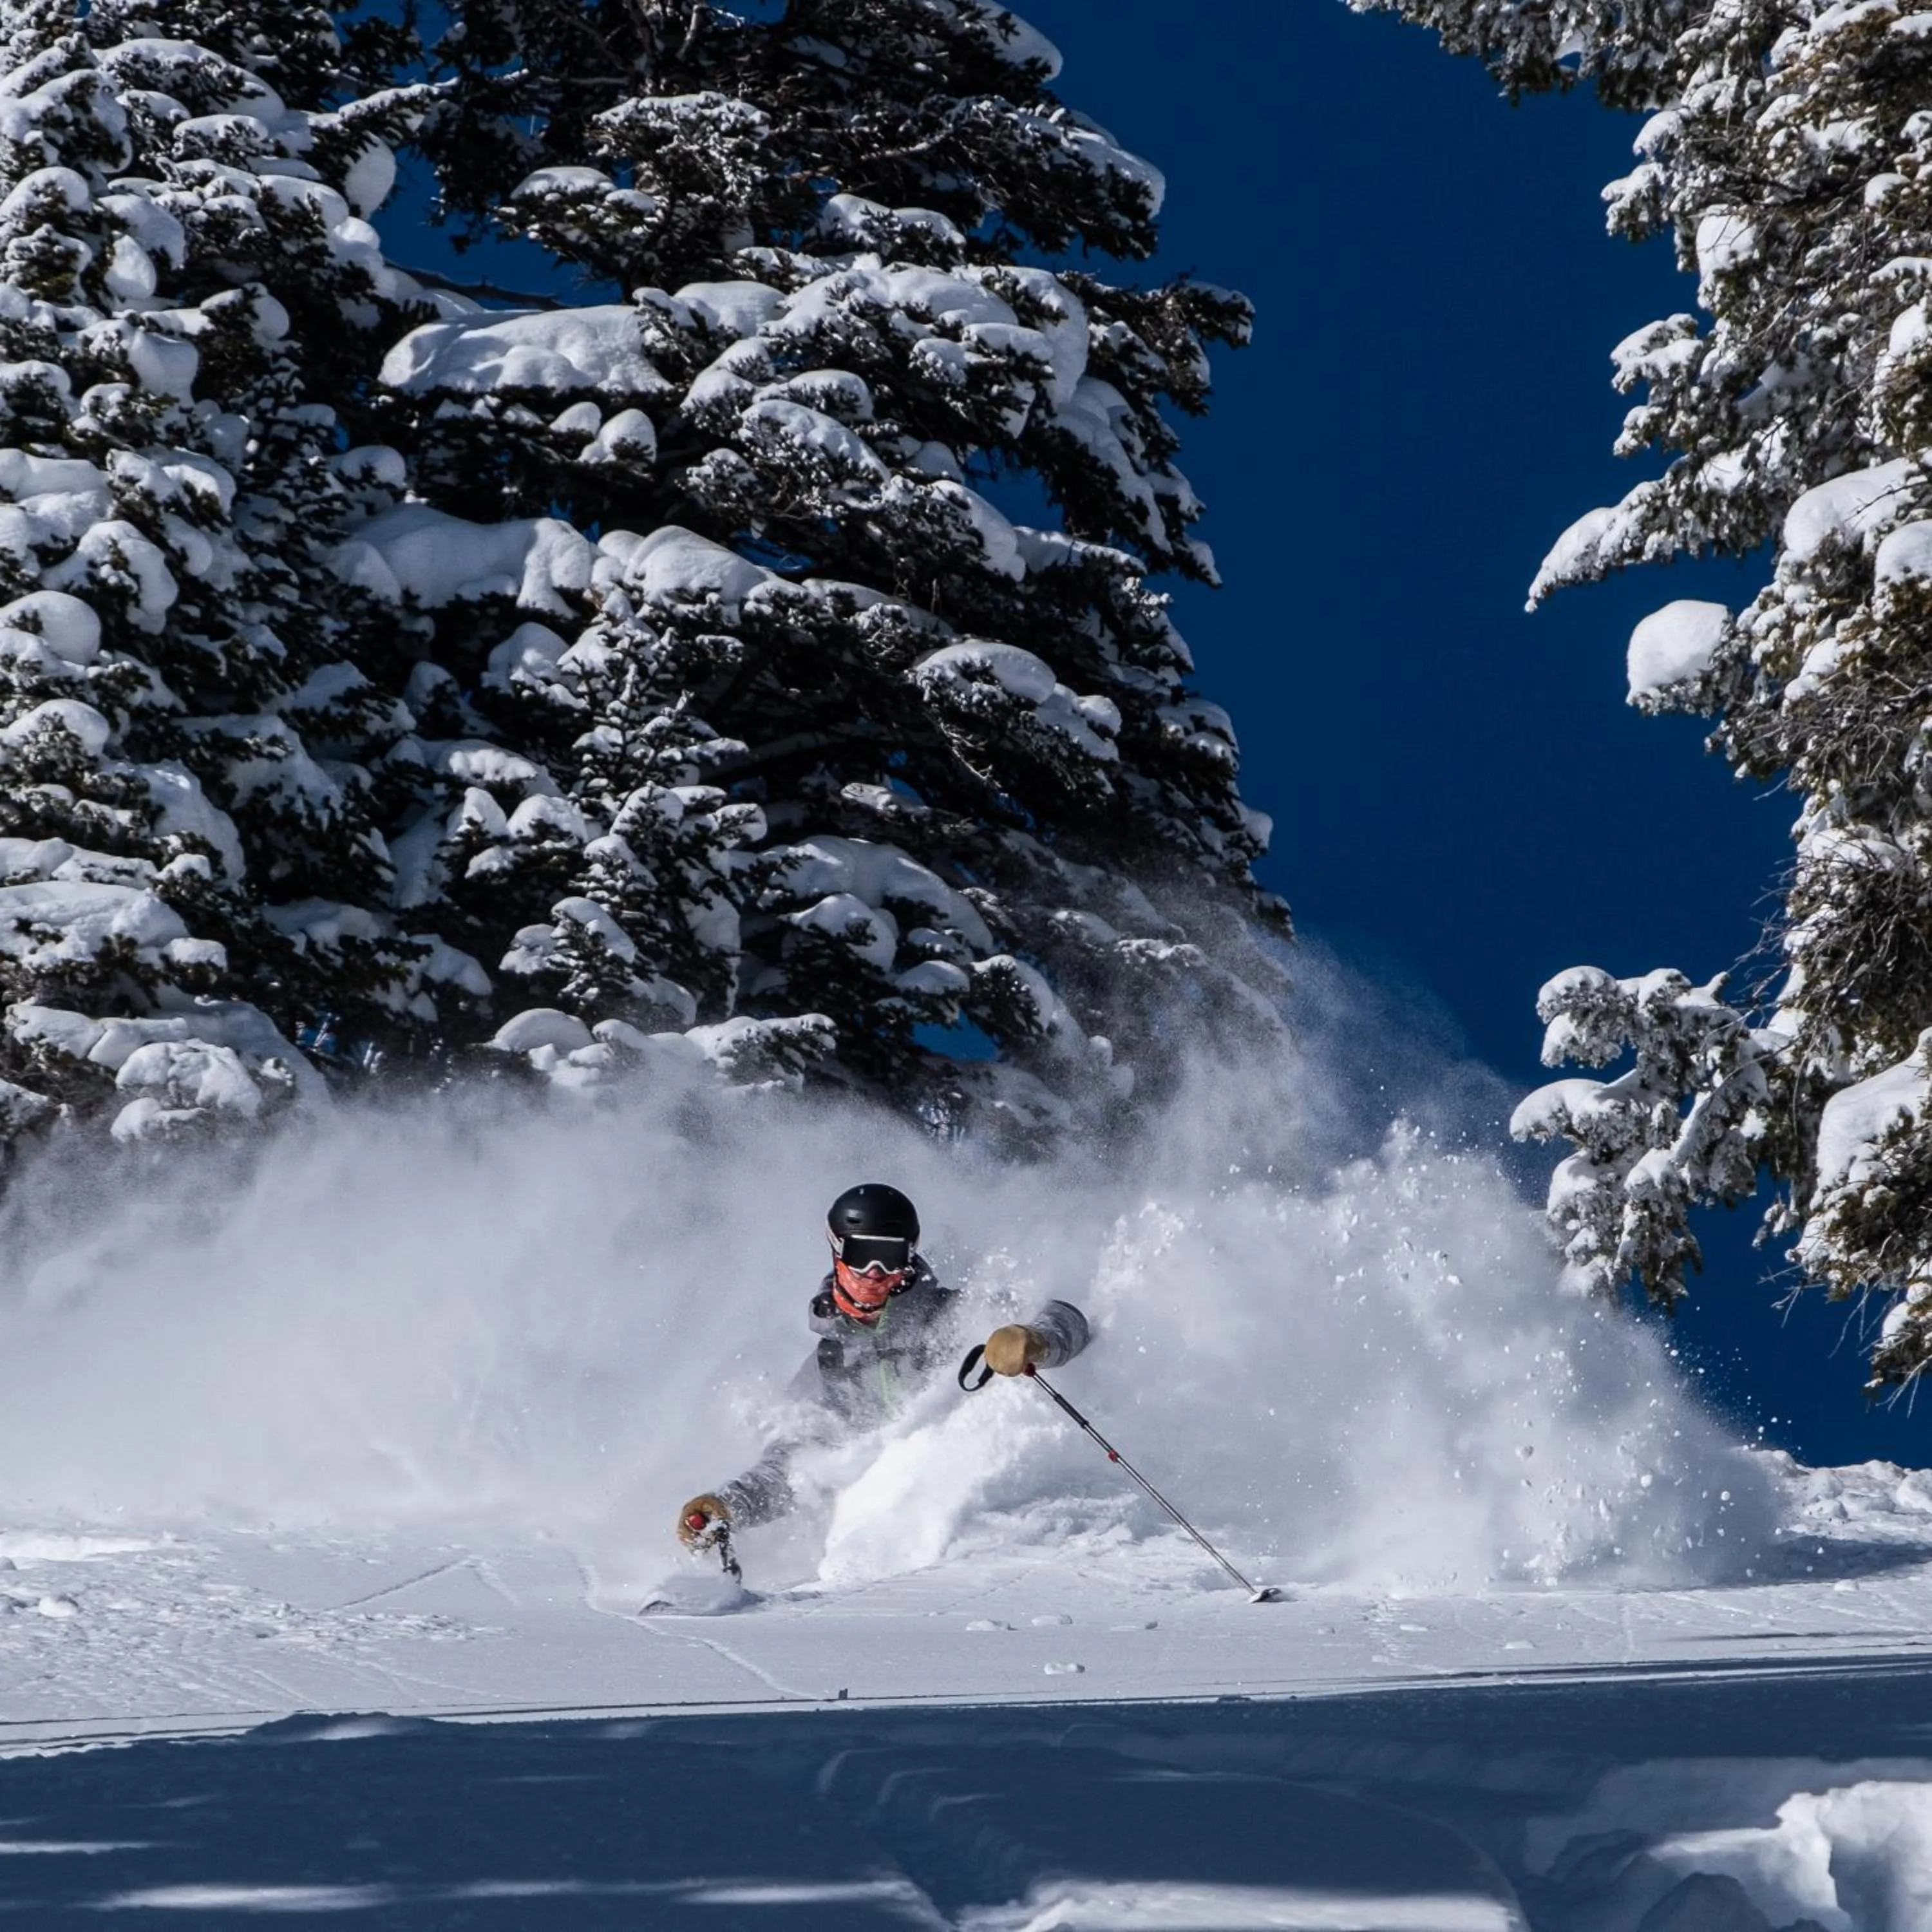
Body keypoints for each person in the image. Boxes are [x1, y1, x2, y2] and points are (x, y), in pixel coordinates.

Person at [676, 1181, 1090, 1548]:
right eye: (863, 1254)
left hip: (985, 1519)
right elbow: (793, 1464)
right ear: (837, 1251)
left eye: (890, 1256)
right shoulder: (830, 1363)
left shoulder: (957, 1314)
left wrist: (1034, 1339)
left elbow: (1067, 1317)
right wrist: (730, 1504)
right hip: (891, 1537)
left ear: (909, 1256)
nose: (875, 1272)